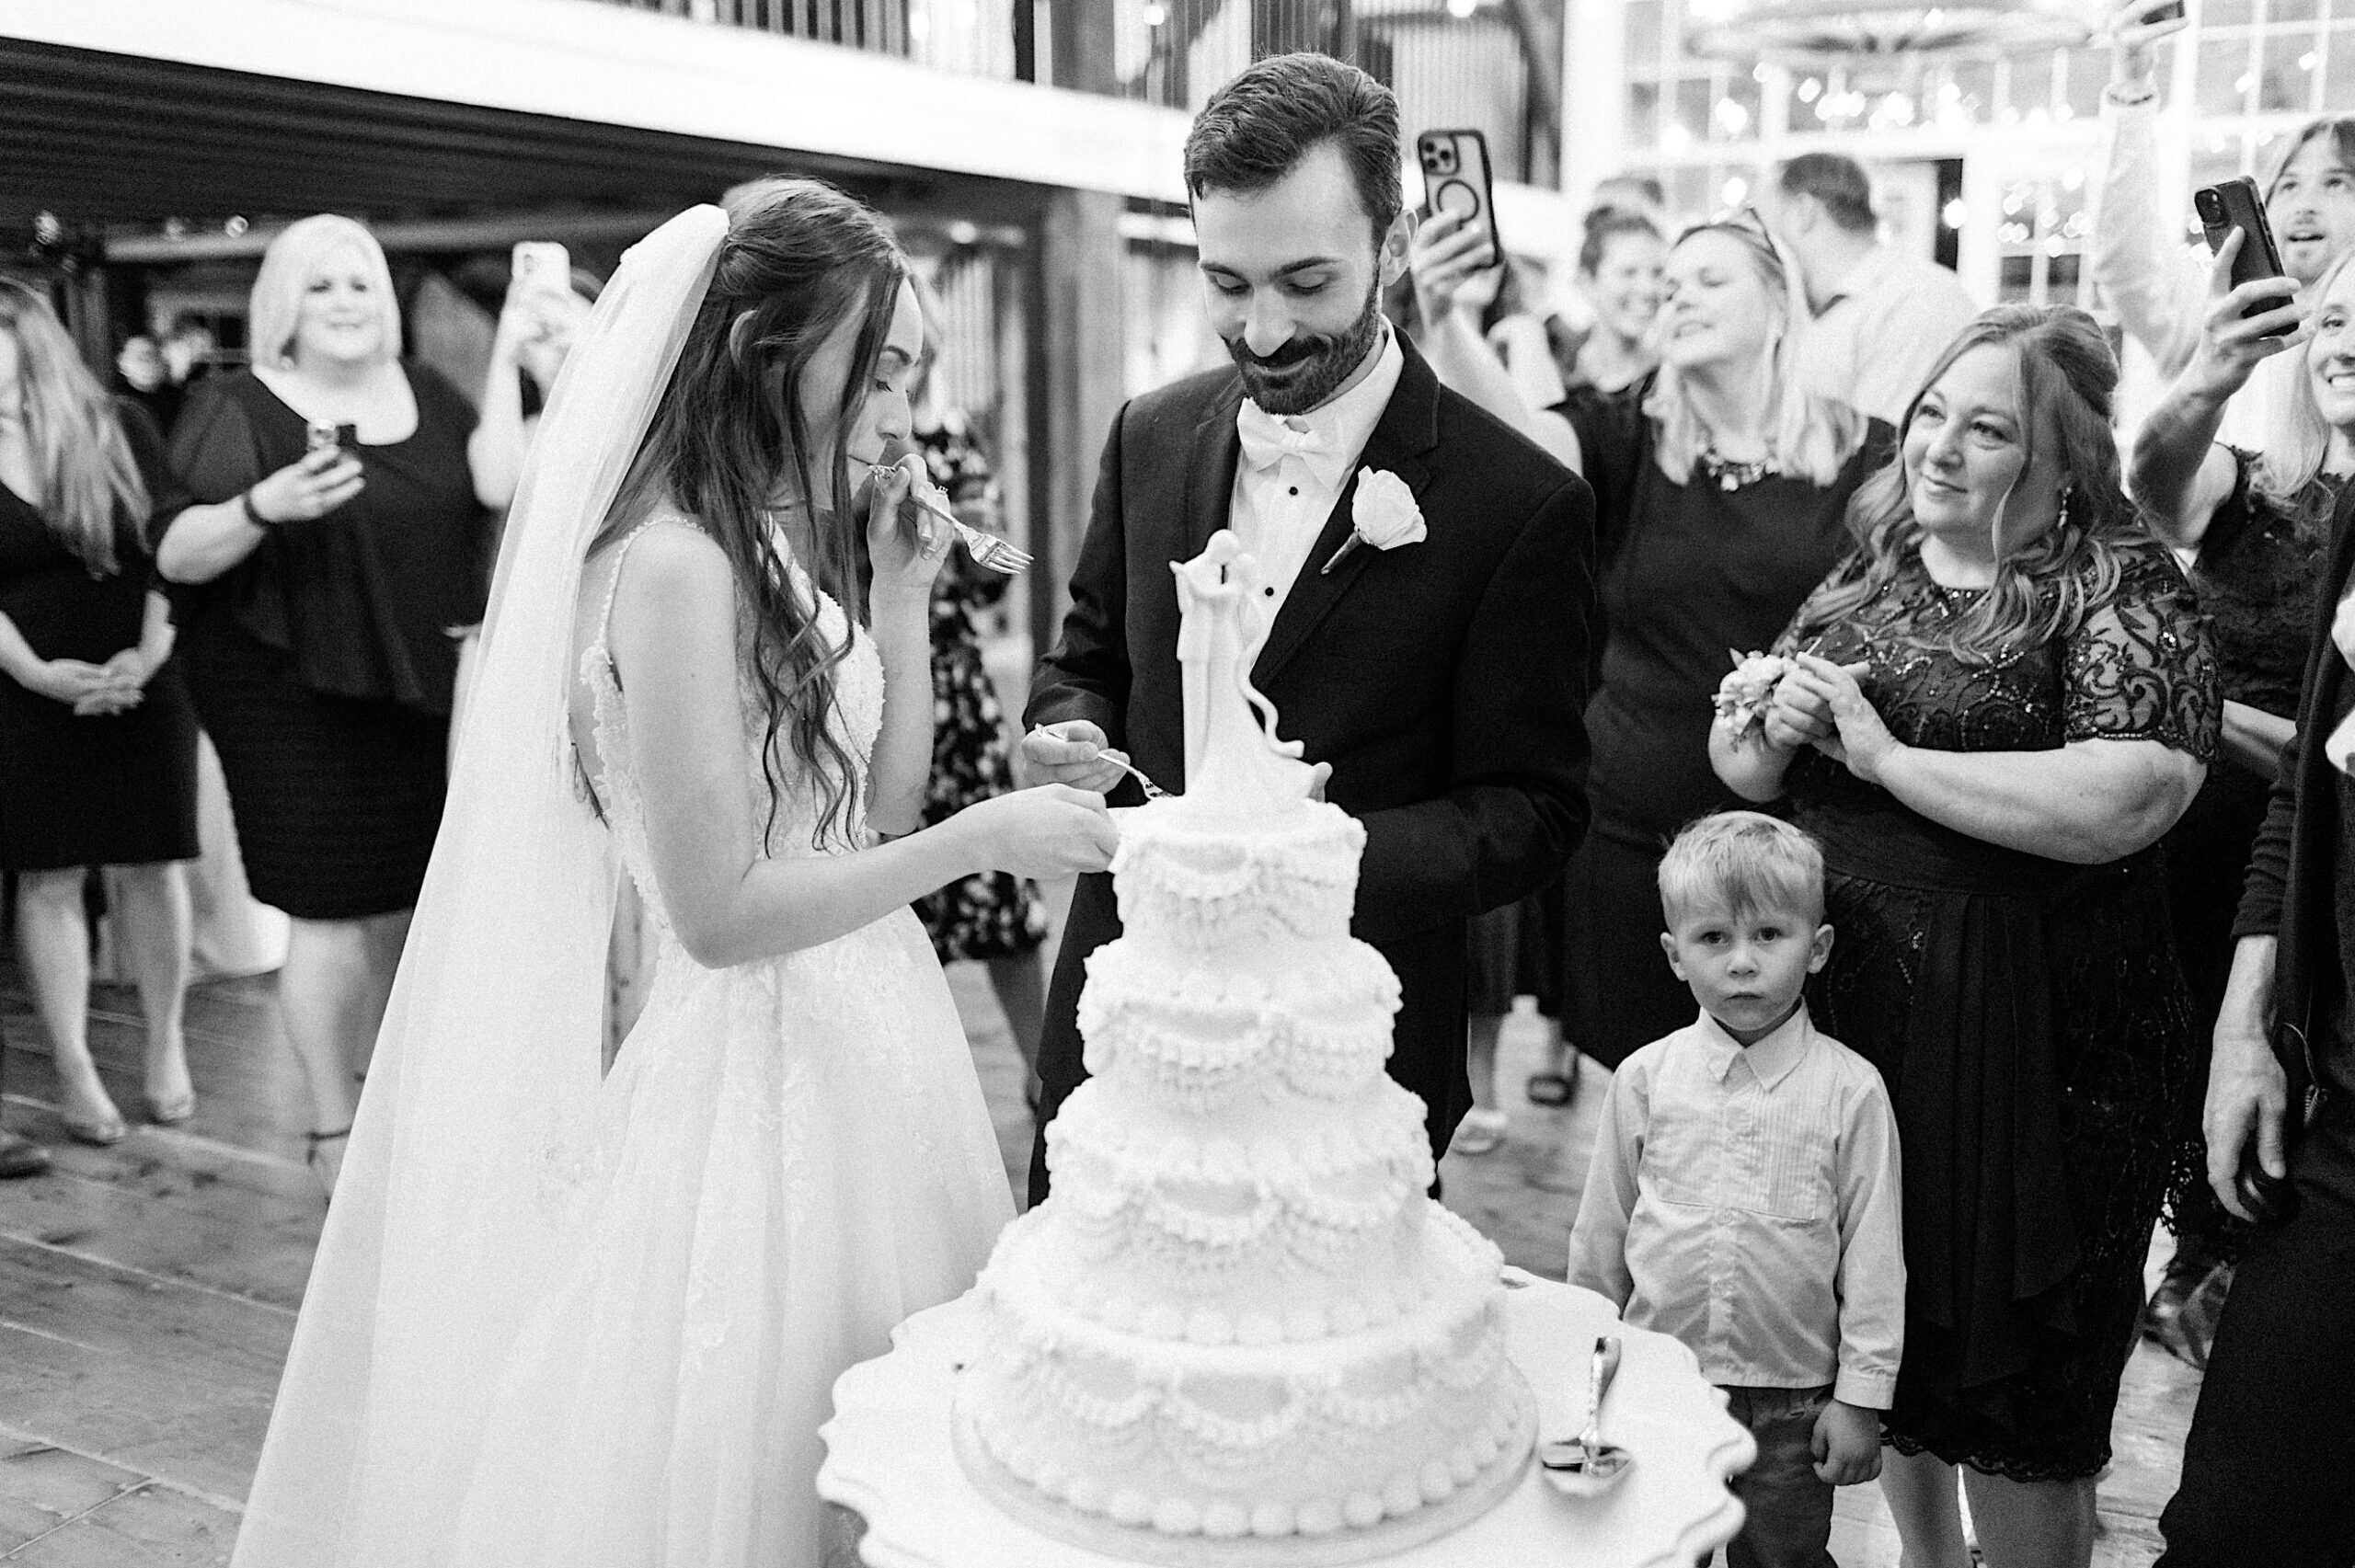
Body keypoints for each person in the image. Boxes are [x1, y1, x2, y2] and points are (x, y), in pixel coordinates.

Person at [229, 184, 1119, 1568]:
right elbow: (716, 918)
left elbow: (870, 819)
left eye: (910, 375)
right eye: (876, 368)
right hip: (751, 1073)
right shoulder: (672, 565)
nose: (900, 411)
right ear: (770, 347)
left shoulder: (769, 539)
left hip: (880, 1045)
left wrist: (895, 592)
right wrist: (991, 837)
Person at [1020, 52, 1595, 1199]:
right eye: (1227, 285)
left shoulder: (1517, 504)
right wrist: (1071, 734)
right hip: (1121, 1019)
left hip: (1349, 1055)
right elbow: (1082, 660)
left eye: (1306, 281)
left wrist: (1316, 859)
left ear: (1392, 245)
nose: (1266, 330)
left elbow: (1532, 811)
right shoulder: (1148, 435)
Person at [1714, 304, 2218, 1568]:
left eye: (1985, 430)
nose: (1940, 448)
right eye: (1931, 414)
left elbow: (2131, 794)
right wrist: (1759, 727)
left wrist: (1889, 759)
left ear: (2064, 465)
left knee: (2020, 1387)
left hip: (2034, 1058)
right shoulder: (1873, 566)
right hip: (1858, 1034)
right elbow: (1751, 775)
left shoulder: (2112, 581)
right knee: (1886, 1339)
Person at [156, 214, 488, 1194]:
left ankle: (400, 1102)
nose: (344, 301)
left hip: (424, 686)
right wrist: (267, 505)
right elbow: (175, 553)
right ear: (282, 307)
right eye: (321, 286)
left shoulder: (428, 392)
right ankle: (333, 1129)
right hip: (288, 694)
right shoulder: (238, 404)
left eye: (360, 283)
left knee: (413, 910)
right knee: (332, 909)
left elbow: (494, 497)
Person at [1553, 210, 1886, 1074]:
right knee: (1641, 1093)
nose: (1679, 297)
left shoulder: (1867, 454)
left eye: (1709, 280)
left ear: (1779, 304)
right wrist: (1444, 313)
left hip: (1804, 837)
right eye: (1669, 287)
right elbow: (1515, 447)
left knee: (1790, 1100)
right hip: (1638, 830)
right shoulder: (1628, 438)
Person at [2152, 255, 2355, 1568]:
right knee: (2232, 1521)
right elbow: (2305, 800)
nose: (2339, 324)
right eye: (2333, 306)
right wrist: (2246, 1033)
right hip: (2338, 1105)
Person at [1568, 810, 1902, 1568]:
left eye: (1769, 936)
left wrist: (1862, 1398)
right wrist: (1585, 1371)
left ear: (1816, 948)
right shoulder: (1645, 1079)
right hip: (1658, 1387)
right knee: (1653, 1551)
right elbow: (1600, 1237)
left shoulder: (1851, 1091)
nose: (1742, 963)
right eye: (1714, 938)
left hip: (1793, 1404)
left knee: (1782, 1558)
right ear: (1675, 955)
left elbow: (1876, 1256)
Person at [0, 281, 199, 1153]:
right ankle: (75, 1067)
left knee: (152, 865)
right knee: (49, 874)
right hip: (21, 682)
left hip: (143, 672)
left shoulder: (118, 425)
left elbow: (174, 544)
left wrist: (151, 653)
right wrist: (37, 672)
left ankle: (166, 1044)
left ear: (29, 342)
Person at [904, 296, 1052, 1105]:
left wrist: (969, 531)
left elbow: (1002, 575)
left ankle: (1044, 1081)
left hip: (954, 688)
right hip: (878, 684)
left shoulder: (953, 443)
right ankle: (918, 1094)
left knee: (1000, 893)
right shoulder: (851, 452)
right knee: (897, 904)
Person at [2094, 0, 2355, 442]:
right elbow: (2128, 264)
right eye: (2288, 186)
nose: (2304, 204)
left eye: (2336, 183)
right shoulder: (2219, 315)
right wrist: (2131, 87)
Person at [1766, 153, 1981, 427]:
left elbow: (1885, 454)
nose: (1756, 247)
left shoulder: (1917, 301)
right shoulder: (1809, 310)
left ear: (1803, 212)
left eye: (1764, 226)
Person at [1562, 207, 1664, 397]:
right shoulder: (1557, 368)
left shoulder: (1669, 384)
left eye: (1658, 273)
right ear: (1587, 282)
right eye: (1629, 272)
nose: (1648, 289)